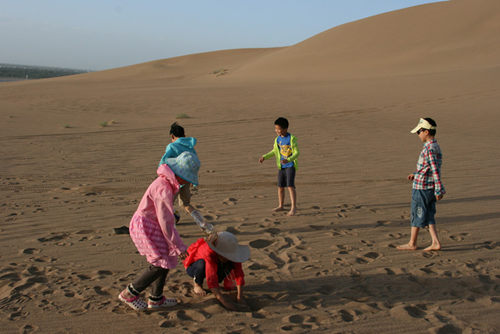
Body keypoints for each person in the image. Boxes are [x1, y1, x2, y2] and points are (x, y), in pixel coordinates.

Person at [118, 151, 200, 311]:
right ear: (179, 174)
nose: (188, 183)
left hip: (152, 224)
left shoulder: (167, 183)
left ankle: (156, 299)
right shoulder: (164, 189)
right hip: (147, 226)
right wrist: (177, 246)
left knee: (165, 260)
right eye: (187, 179)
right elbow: (166, 221)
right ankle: (130, 293)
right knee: (159, 263)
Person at [398, 118, 445, 252]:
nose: (418, 135)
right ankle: (435, 242)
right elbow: (428, 167)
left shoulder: (429, 148)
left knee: (416, 214)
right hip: (428, 186)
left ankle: (412, 243)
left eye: (419, 132)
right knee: (429, 215)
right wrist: (416, 173)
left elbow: (435, 169)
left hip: (422, 188)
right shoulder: (435, 146)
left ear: (426, 132)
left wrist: (439, 188)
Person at [183, 231, 250, 311]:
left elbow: (239, 274)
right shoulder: (209, 253)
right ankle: (197, 283)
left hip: (217, 263)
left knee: (229, 264)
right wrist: (224, 301)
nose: (229, 257)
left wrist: (240, 297)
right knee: (202, 264)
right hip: (195, 267)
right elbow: (211, 278)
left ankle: (217, 285)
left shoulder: (232, 254)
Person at [259, 117, 300, 216]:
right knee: (280, 186)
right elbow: (274, 151)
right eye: (276, 128)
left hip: (290, 166)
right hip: (281, 167)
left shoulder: (291, 139)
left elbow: (297, 153)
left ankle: (293, 207)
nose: (277, 131)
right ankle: (281, 205)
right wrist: (265, 157)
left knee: (290, 186)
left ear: (285, 129)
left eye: (279, 129)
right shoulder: (277, 139)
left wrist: (288, 160)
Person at [158, 122, 198, 215]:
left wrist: (160, 173)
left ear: (172, 136)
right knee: (186, 204)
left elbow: (164, 161)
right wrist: (192, 179)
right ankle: (202, 223)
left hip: (175, 179)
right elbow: (193, 162)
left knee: (167, 203)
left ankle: (166, 225)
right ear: (184, 136)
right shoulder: (190, 147)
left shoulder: (171, 146)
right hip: (186, 179)